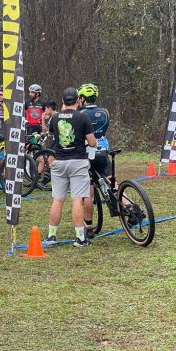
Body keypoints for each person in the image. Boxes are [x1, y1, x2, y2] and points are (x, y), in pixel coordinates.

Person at [44, 87, 97, 247]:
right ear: (78, 100)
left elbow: (53, 135)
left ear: (62, 101)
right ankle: (80, 238)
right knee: (77, 200)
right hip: (78, 162)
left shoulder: (55, 118)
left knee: (58, 200)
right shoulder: (83, 117)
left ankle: (51, 236)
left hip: (59, 162)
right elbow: (92, 141)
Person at [78, 83, 110, 238]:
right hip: (103, 152)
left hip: (87, 155)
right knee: (114, 184)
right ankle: (130, 210)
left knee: (88, 193)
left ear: (82, 98)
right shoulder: (105, 112)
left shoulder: (80, 114)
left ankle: (89, 227)